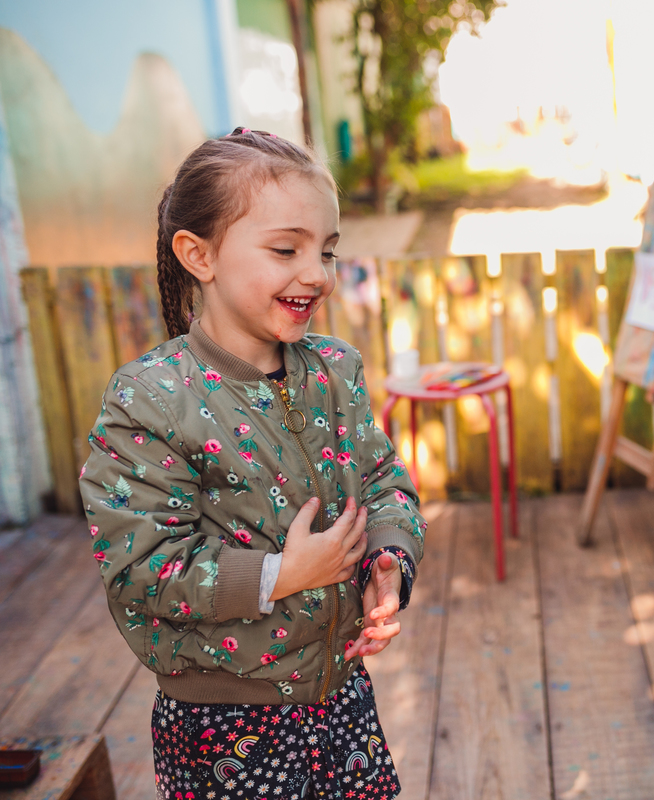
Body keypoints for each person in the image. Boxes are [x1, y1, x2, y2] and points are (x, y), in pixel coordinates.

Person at [79, 128, 425, 800]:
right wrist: (281, 575)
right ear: (198, 255)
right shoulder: (150, 398)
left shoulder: (334, 370)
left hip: (340, 694)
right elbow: (140, 566)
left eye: (326, 251)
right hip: (224, 725)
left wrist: (390, 559)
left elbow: (384, 482)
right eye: (285, 249)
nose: (317, 273)